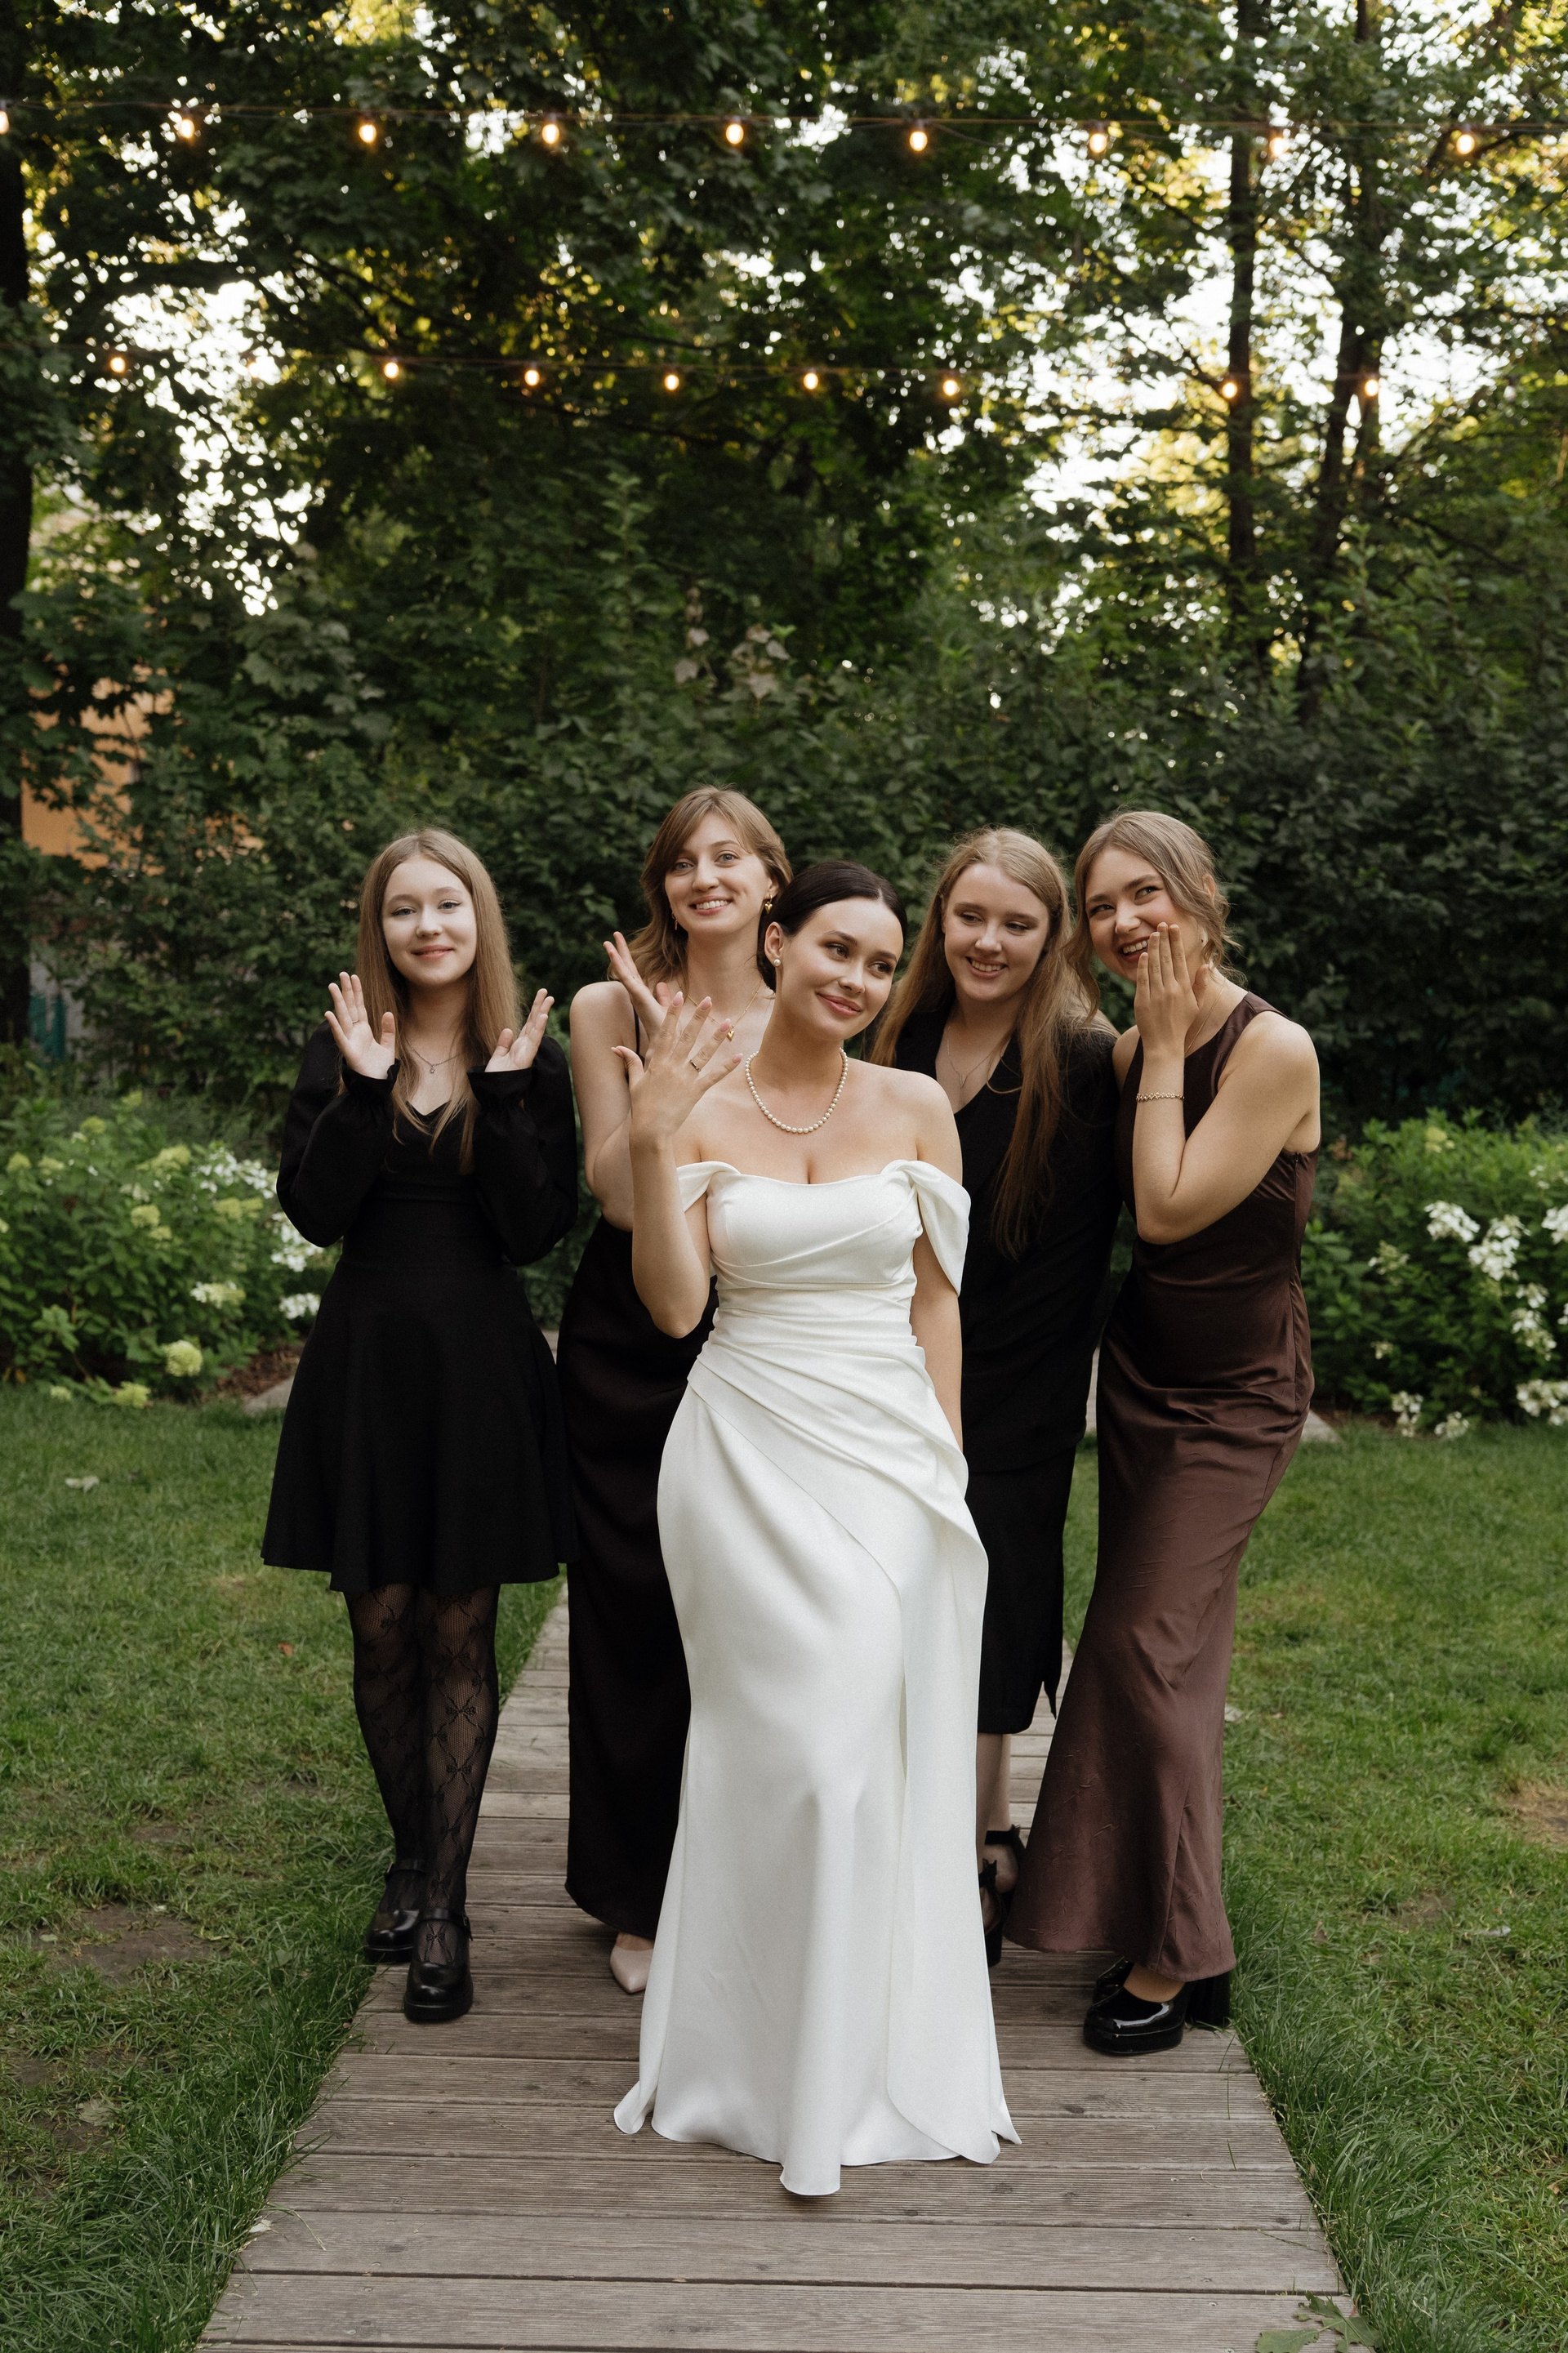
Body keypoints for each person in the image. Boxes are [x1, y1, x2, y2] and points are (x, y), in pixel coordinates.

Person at [610, 862, 1017, 2197]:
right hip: (742, 1447)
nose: (858, 978)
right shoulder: (700, 1100)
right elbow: (675, 1309)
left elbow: (937, 1302)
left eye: (881, 963)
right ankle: (754, 2060)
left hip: (887, 1449)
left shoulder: (914, 1106)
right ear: (777, 943)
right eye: (837, 948)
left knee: (852, 1740)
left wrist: (947, 1462)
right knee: (773, 1748)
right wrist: (656, 1137)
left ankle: (848, 2064)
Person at [1006, 810, 1319, 2055]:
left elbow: (1171, 1206)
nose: (1125, 920)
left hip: (1237, 1395)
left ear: (1200, 894)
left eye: (1147, 893)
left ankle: (1176, 1951)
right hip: (1142, 1378)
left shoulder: (1269, 1047)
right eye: (1101, 905)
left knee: (1143, 1643)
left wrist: (1170, 1048)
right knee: (1174, 1657)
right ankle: (1184, 1932)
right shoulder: (1137, 1043)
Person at [263, 829, 577, 2026]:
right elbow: (313, 1212)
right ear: (380, 928)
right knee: (381, 1623)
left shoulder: (525, 1052)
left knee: (458, 1624)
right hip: (369, 1360)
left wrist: (505, 1094)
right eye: (405, 909)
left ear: (477, 917)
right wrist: (358, 1087)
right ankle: (409, 1852)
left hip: (478, 1364)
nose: (428, 925)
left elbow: (536, 1228)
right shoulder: (344, 1044)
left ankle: (443, 1904)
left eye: (448, 904)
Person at [872, 828, 1120, 1961]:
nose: (989, 941)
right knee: (896, 1596)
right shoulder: (898, 1034)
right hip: (888, 1365)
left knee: (997, 1599)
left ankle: (980, 1835)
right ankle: (913, 1822)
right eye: (970, 916)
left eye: (1017, 923)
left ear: (1051, 936)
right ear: (941, 921)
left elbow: (1070, 1264)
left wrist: (978, 1418)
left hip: (1020, 1382)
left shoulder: (1080, 1061)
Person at [559, 790, 791, 1994]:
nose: (706, 877)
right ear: (663, 885)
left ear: (770, 881)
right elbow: (613, 1190)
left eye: (729, 857)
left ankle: (749, 1880)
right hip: (628, 1338)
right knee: (635, 1611)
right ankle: (638, 1894)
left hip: (754, 1321)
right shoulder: (609, 1006)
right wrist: (666, 1080)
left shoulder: (808, 1006)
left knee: (754, 1609)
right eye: (684, 861)